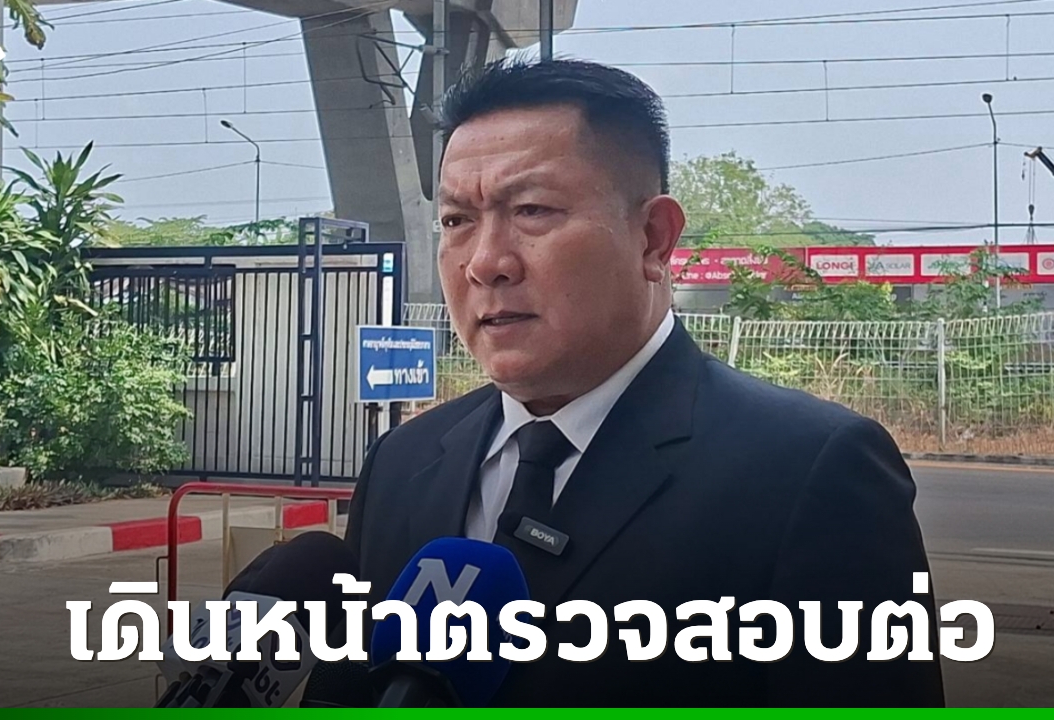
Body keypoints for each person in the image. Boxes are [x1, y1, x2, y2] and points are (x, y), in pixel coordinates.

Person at [345, 57, 945, 707]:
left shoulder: (811, 473)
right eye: (457, 221)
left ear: (654, 239)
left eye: (532, 210)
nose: (486, 262)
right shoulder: (402, 464)